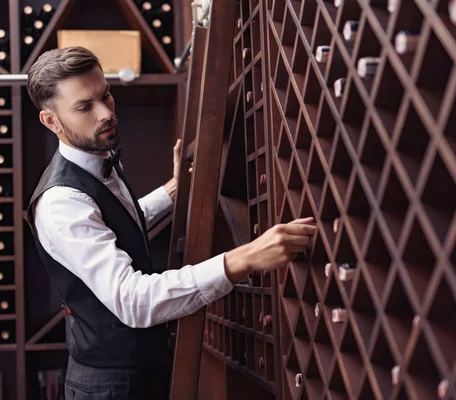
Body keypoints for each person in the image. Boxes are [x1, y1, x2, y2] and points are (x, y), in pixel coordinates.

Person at [25, 47, 317, 400]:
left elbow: (120, 227)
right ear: (51, 121)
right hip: (111, 389)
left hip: (139, 371)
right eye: (85, 106)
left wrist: (175, 189)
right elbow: (133, 300)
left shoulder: (97, 157)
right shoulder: (61, 203)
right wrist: (244, 258)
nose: (106, 113)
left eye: (106, 95)